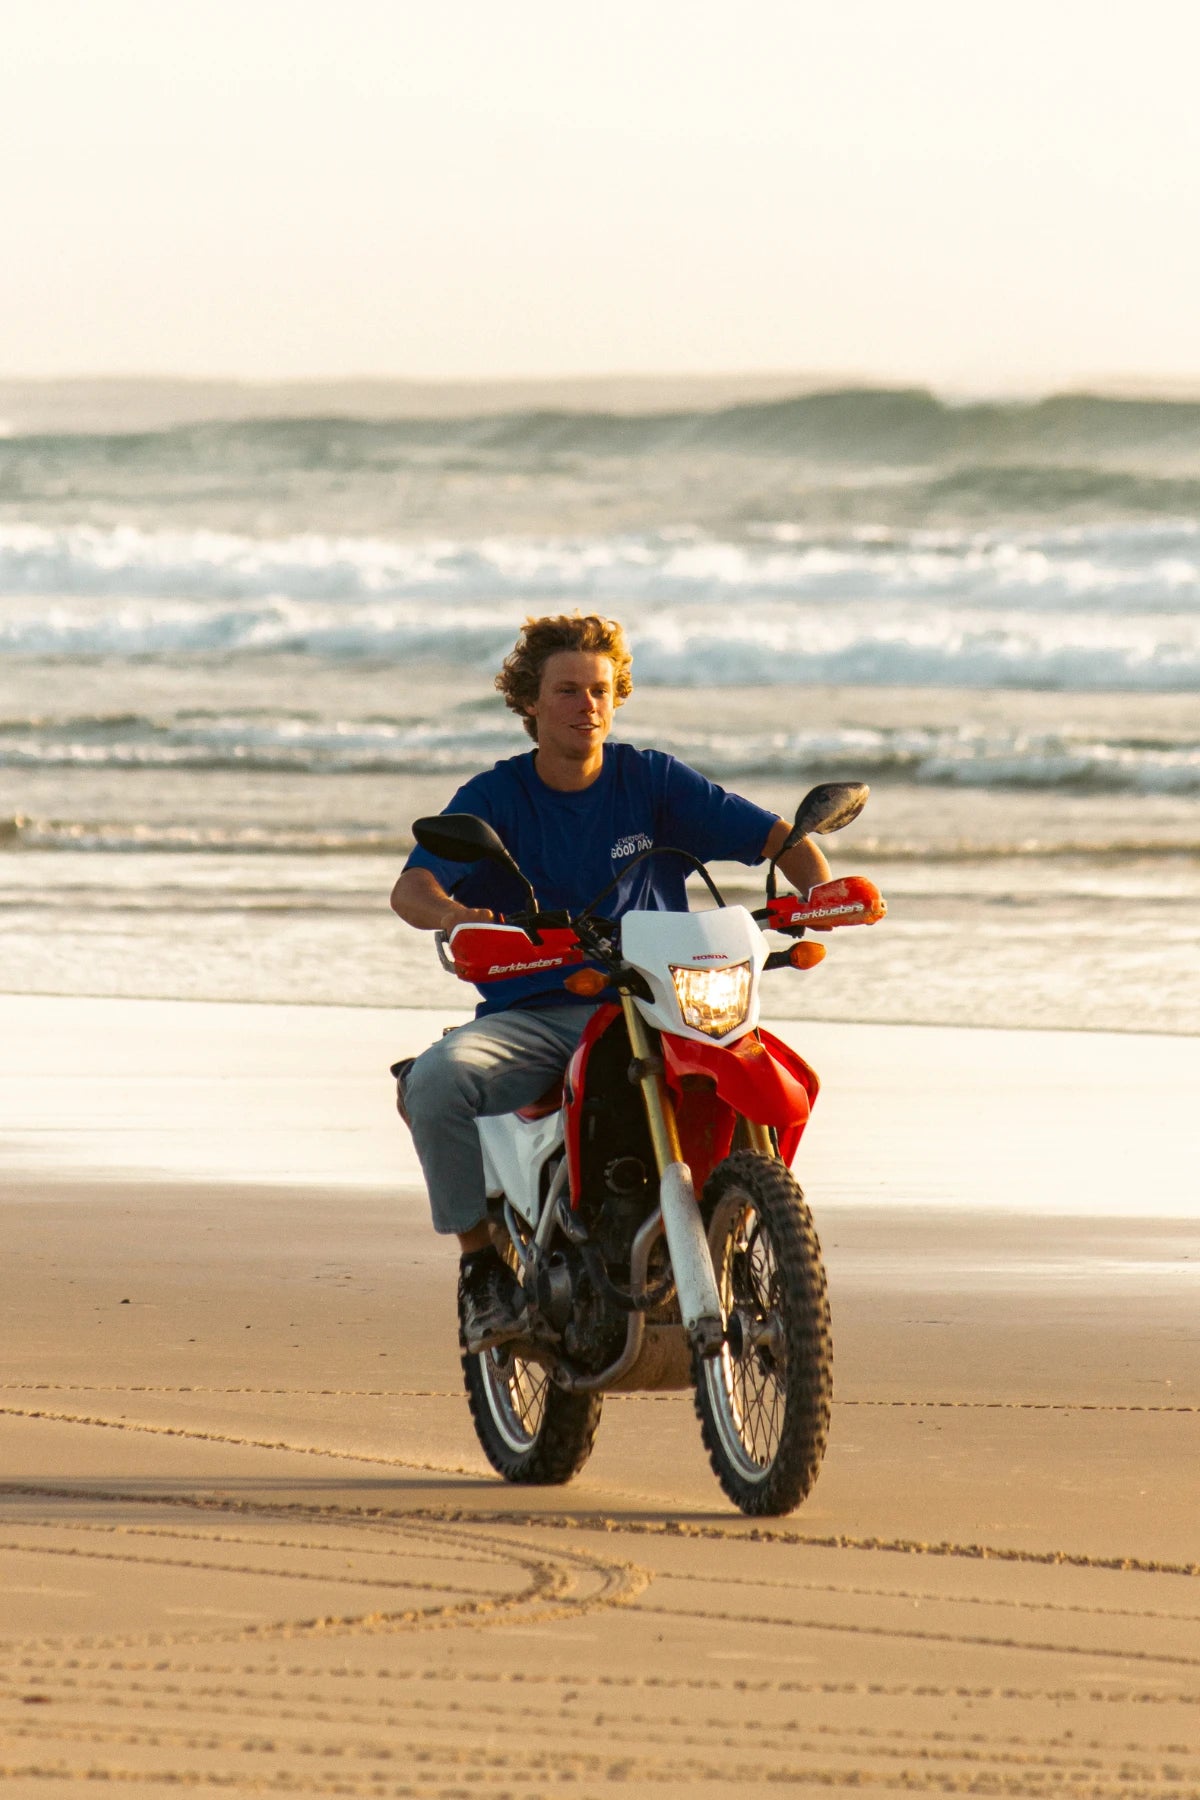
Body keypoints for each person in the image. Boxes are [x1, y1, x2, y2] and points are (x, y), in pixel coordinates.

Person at [390, 613, 830, 1352]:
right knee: (436, 1082)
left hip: (660, 1003)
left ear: (616, 696)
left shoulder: (651, 780)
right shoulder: (496, 796)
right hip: (542, 1013)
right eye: (566, 690)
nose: (585, 705)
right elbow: (413, 889)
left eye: (598, 690)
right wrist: (457, 916)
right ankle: (481, 1272)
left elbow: (777, 839)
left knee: (779, 1072)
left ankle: (745, 1226)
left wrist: (818, 894)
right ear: (530, 701)